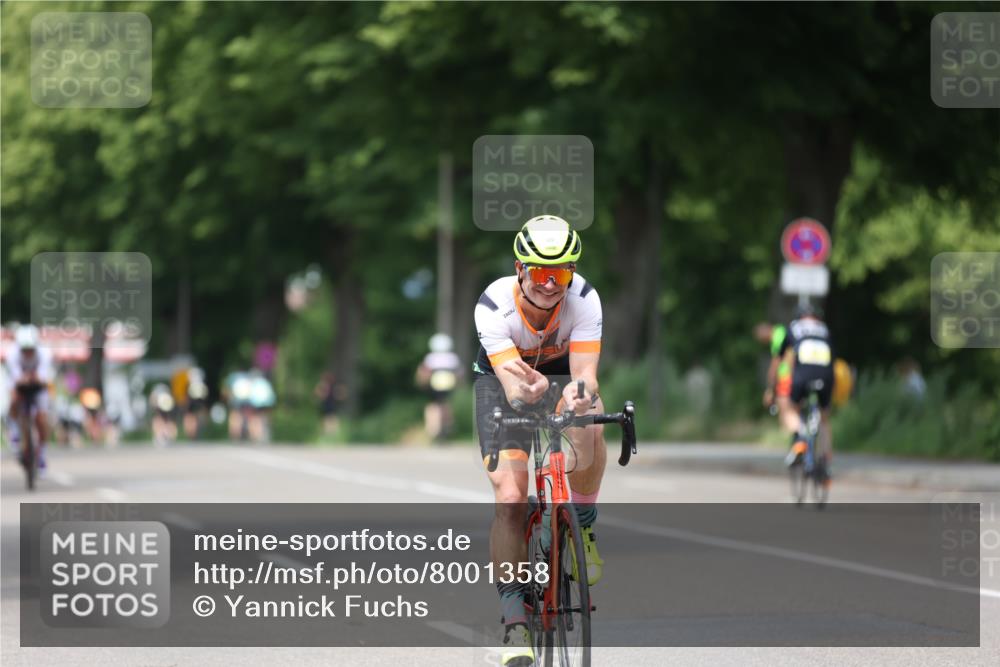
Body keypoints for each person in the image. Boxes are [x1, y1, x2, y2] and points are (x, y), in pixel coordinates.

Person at [473, 215, 604, 667]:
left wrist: (578, 395)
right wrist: (524, 392)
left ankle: (581, 523)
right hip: (502, 381)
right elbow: (513, 387)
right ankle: (514, 622)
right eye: (541, 272)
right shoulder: (493, 305)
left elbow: (586, 377)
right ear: (520, 268)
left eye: (562, 273)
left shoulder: (584, 299)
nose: (551, 284)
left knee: (592, 420)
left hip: (561, 375)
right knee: (511, 496)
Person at [775, 304, 835, 481]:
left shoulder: (793, 328)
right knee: (824, 419)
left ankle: (801, 437)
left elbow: (781, 359)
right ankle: (826, 462)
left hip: (803, 374)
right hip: (826, 375)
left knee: (789, 409)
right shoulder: (824, 330)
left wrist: (773, 387)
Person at [5, 325, 54, 469]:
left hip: (38, 387)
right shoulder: (12, 354)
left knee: (41, 418)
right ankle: (15, 434)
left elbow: (43, 376)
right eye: (24, 350)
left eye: (30, 349)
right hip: (20, 385)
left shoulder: (44, 353)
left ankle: (41, 454)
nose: (27, 353)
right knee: (14, 400)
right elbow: (16, 378)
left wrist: (35, 378)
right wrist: (25, 378)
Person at [415, 333, 461, 442]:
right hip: (450, 385)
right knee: (446, 404)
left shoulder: (430, 357)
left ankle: (433, 429)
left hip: (435, 385)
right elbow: (459, 373)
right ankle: (448, 425)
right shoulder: (453, 357)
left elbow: (424, 372)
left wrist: (422, 383)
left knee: (434, 405)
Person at [757, 322, 792, 412]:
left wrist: (769, 389)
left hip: (786, 376)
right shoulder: (782, 329)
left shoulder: (777, 337)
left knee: (785, 411)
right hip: (796, 373)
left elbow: (776, 361)